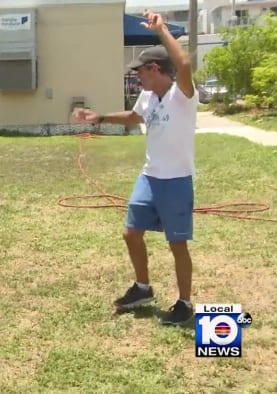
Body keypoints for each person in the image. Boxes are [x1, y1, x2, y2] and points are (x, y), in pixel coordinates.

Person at [72, 11, 198, 325]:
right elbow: (134, 117)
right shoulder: (148, 96)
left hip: (176, 180)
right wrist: (99, 117)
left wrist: (161, 29)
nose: (136, 76)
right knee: (131, 233)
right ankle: (143, 288)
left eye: (139, 70)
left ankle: (184, 303)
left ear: (155, 69)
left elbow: (183, 64)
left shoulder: (182, 96)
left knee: (176, 243)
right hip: (150, 176)